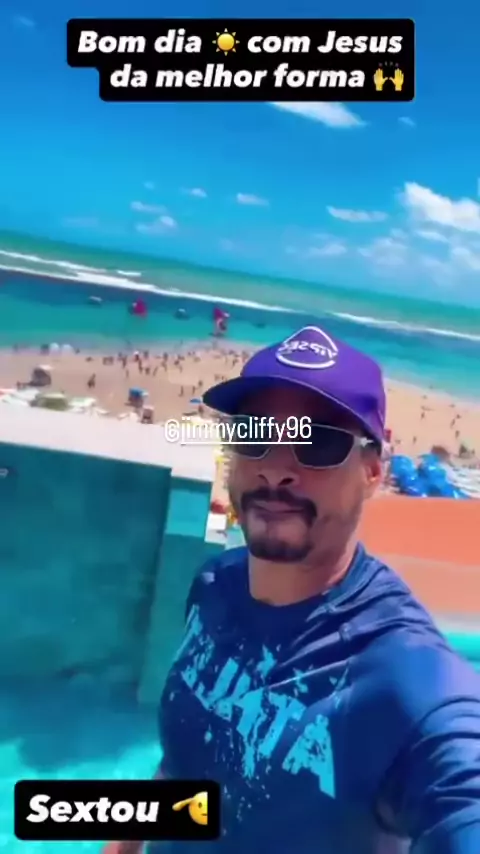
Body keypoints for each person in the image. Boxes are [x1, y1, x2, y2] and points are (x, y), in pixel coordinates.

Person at [111, 325, 480, 854]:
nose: (276, 469)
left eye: (319, 442)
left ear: (373, 471)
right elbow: (181, 765)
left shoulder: (405, 681)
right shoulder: (215, 585)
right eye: (255, 433)